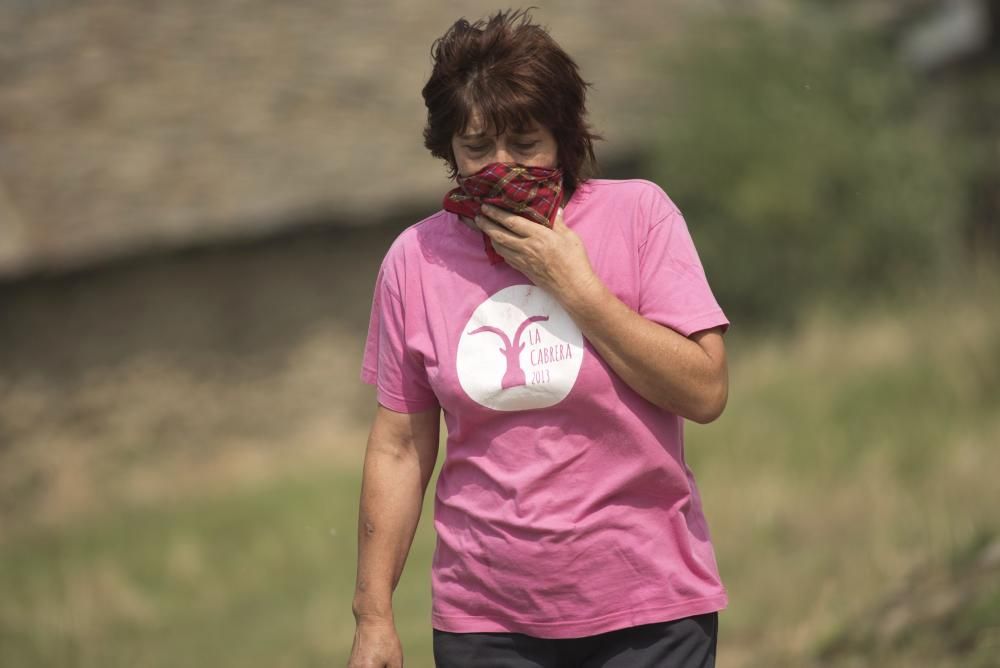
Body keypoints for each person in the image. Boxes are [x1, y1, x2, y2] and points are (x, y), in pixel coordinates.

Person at [349, 9, 729, 668]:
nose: (500, 168)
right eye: (476, 150)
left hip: (650, 611)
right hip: (486, 624)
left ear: (565, 136)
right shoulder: (414, 261)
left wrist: (578, 289)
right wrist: (373, 614)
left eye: (524, 144)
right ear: (449, 153)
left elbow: (704, 391)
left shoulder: (640, 217)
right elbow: (398, 450)